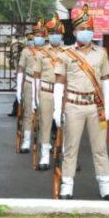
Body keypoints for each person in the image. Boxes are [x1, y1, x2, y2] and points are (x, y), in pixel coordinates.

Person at [54, 3, 109, 200]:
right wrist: (57, 109)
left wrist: (108, 105)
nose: (86, 32)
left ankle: (105, 185)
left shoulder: (102, 53)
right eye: (82, 29)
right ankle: (67, 185)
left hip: (95, 105)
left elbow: (106, 80)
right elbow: (59, 82)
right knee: (71, 148)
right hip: (73, 105)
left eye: (89, 29)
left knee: (100, 148)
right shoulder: (65, 54)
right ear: (74, 31)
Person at [33, 13, 65, 170]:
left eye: (58, 33)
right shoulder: (41, 53)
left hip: (64, 93)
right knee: (45, 123)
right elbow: (36, 76)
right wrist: (35, 97)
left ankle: (66, 155)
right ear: (48, 35)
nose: (55, 36)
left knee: (66, 124)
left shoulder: (68, 52)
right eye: (52, 33)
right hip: (46, 91)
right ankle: (45, 155)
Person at [15, 23, 41, 153]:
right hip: (30, 83)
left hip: (45, 85)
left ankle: (43, 141)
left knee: (44, 115)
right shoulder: (26, 51)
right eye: (37, 35)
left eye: (41, 35)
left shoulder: (49, 51)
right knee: (28, 114)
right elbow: (20, 69)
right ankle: (26, 140)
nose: (39, 37)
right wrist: (19, 89)